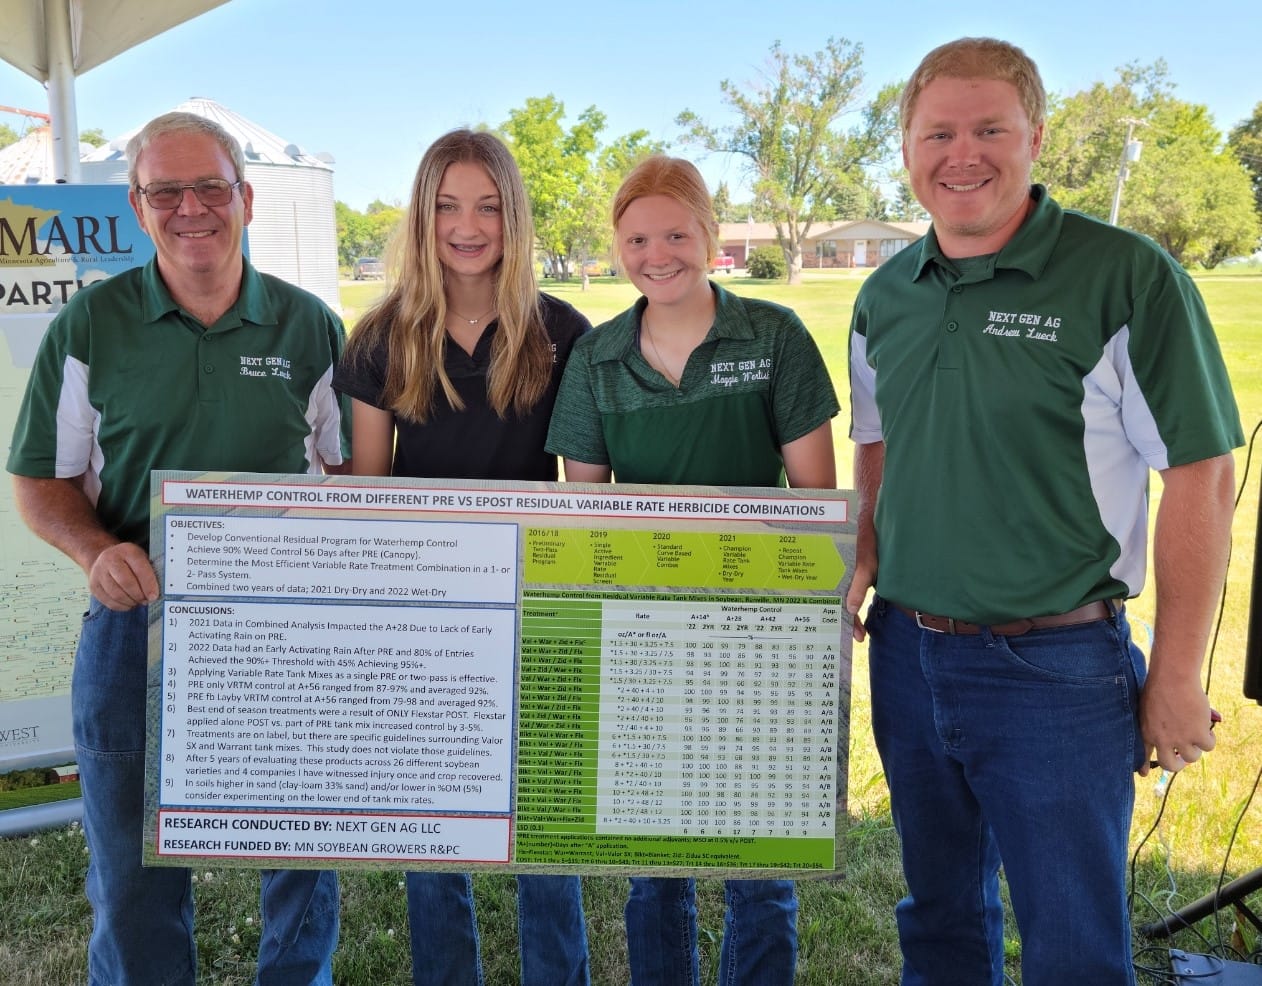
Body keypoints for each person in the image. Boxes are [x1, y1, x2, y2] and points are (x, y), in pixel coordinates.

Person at [845, 38, 1243, 986]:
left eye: (990, 128)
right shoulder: (883, 295)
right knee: (938, 917)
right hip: (907, 654)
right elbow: (877, 442)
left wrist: (1178, 675)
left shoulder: (1124, 276)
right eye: (937, 132)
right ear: (906, 146)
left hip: (1055, 669)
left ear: (1037, 137)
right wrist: (862, 554)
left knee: (1071, 942)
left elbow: (1200, 472)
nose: (962, 154)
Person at [7, 112, 347, 985]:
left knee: (302, 853)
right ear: (137, 205)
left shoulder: (312, 327)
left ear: (247, 198)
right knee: (131, 871)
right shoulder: (92, 324)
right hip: (135, 626)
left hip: (285, 638)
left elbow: (346, 481)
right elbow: (43, 484)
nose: (191, 207)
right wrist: (95, 553)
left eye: (211, 187)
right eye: (166, 191)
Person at [546, 154, 839, 986]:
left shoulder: (773, 335)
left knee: (761, 858)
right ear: (617, 245)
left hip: (763, 631)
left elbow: (816, 500)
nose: (657, 252)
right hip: (643, 632)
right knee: (654, 861)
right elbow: (586, 514)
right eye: (637, 237)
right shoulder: (598, 358)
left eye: (677, 232)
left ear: (710, 234)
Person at [332, 128, 591, 986]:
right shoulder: (381, 336)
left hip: (535, 606)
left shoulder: (561, 332)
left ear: (512, 217)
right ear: (422, 214)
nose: (467, 224)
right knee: (432, 833)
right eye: (448, 204)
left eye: (487, 205)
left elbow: (585, 487)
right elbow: (368, 492)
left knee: (545, 820)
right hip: (423, 616)